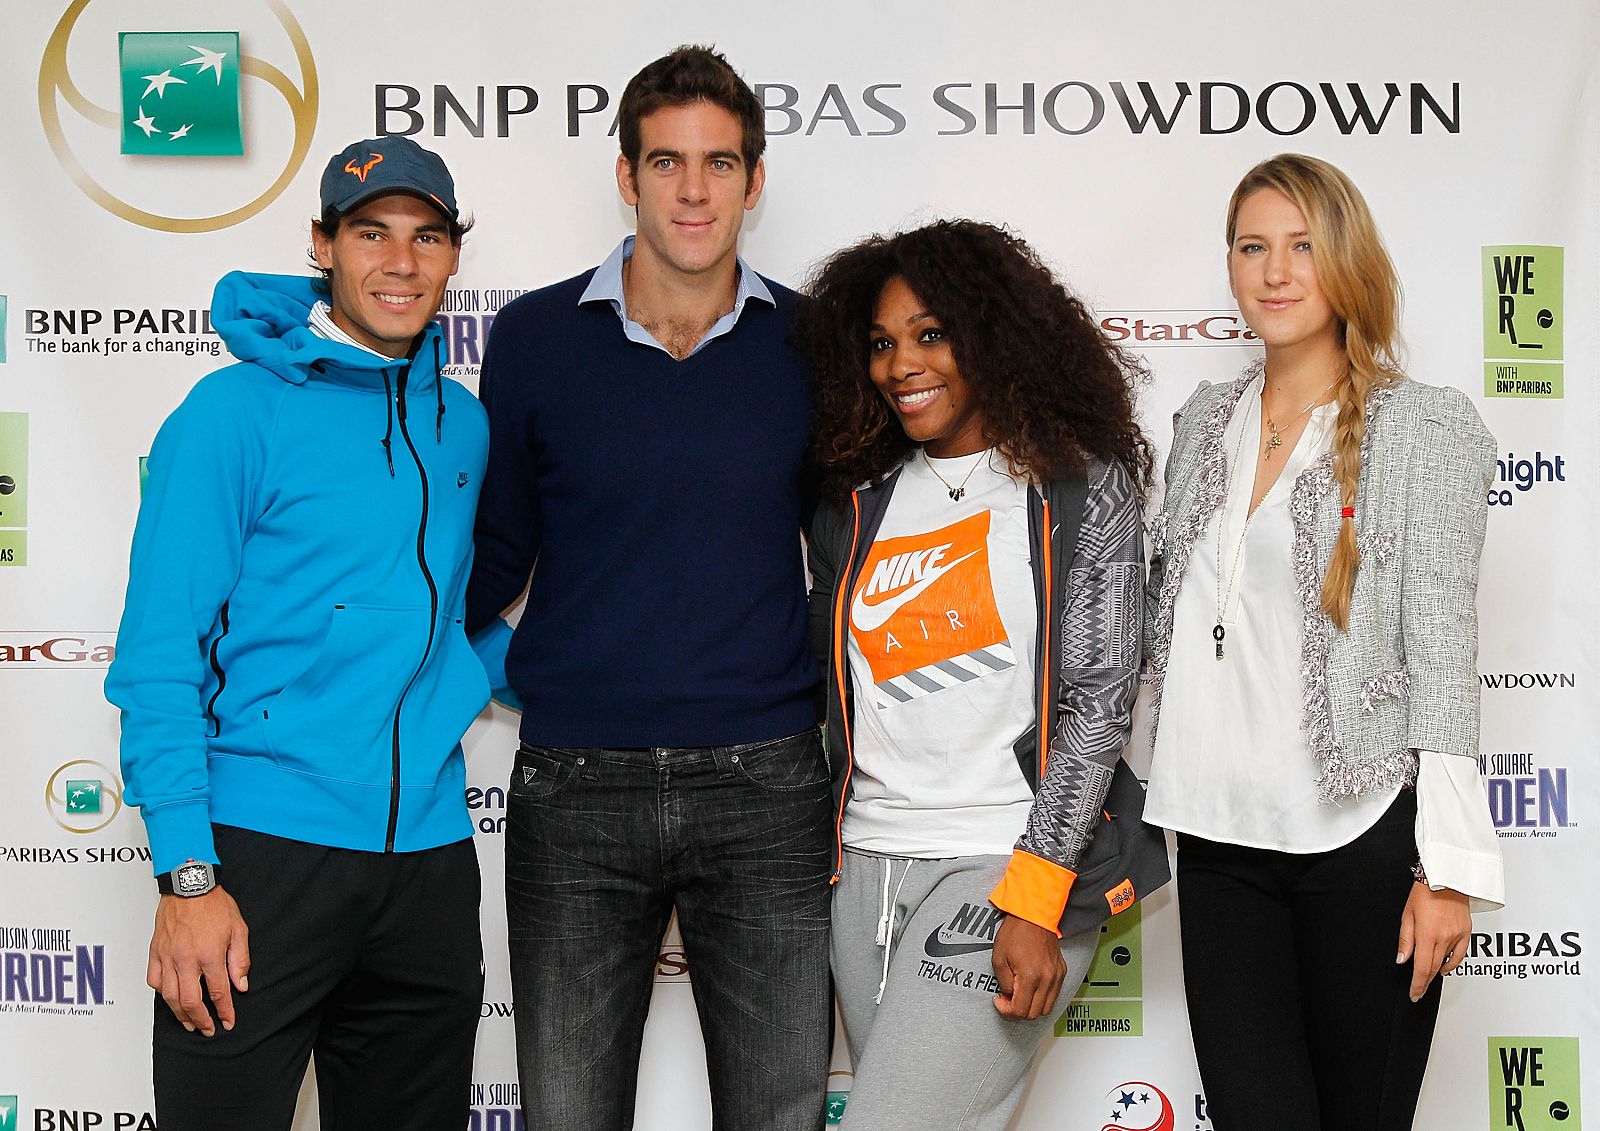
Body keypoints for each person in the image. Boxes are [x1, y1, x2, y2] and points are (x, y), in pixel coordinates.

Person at [465, 46, 832, 1130]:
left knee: (779, 1114)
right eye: (666, 162)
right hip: (575, 784)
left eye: (720, 164)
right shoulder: (532, 337)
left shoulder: (811, 341)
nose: (693, 190)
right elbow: (493, 556)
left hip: (767, 782)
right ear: (625, 176)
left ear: (754, 184)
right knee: (568, 1116)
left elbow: (855, 557)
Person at [105, 136, 488, 1131]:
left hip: (429, 871)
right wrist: (189, 874)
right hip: (261, 858)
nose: (400, 263)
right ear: (322, 243)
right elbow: (157, 657)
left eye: (427, 237)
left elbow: (445, 616)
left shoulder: (464, 424)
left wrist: (488, 672)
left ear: (453, 257)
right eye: (371, 233)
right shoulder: (232, 414)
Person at [1142, 153, 1505, 1129]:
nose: (1274, 272)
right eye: (1252, 247)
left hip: (1363, 838)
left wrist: (1448, 872)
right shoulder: (1202, 423)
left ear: (1343, 261)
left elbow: (1439, 645)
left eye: (1301, 246)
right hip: (1218, 840)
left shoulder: (1421, 428)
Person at [800, 219, 1168, 1131]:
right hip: (867, 869)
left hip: (1002, 862)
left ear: (995, 337)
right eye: (882, 343)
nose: (902, 365)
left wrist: (1037, 897)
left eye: (931, 334)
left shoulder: (1078, 483)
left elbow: (1098, 702)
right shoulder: (856, 499)